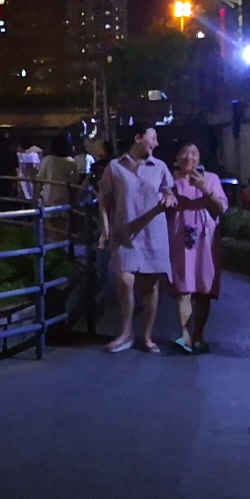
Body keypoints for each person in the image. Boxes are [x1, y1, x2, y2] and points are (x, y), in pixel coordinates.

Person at [98, 125, 177, 353]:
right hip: (125, 233)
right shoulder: (115, 167)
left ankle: (147, 336)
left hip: (153, 233)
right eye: (153, 138)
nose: (156, 143)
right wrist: (105, 229)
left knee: (150, 286)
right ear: (138, 138)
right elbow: (104, 200)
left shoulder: (159, 167)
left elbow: (169, 192)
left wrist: (169, 198)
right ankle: (126, 333)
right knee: (125, 280)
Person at [165, 142, 227, 354]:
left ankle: (199, 335)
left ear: (199, 159)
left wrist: (204, 190)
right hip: (179, 237)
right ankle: (185, 336)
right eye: (184, 153)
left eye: (194, 153)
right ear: (177, 158)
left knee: (203, 290)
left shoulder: (211, 179)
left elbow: (220, 209)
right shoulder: (170, 180)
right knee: (183, 289)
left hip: (205, 239)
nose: (189, 157)